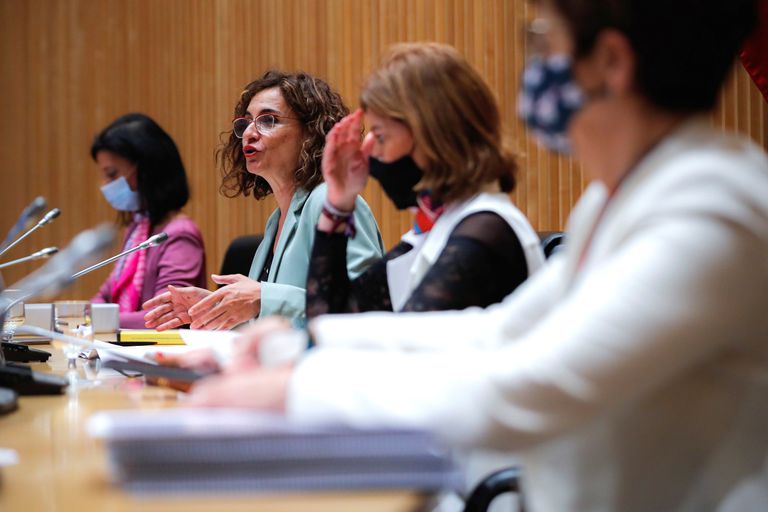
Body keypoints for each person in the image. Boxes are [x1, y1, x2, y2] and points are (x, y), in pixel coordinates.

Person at [184, 0, 768, 510]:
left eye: (544, 41)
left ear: (612, 62)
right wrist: (303, 345)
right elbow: (500, 332)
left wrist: (297, 388)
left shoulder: (712, 208)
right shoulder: (620, 199)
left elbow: (534, 383)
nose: (532, 63)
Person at [306, 43, 544, 319]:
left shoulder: (486, 230)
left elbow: (402, 349)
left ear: (431, 134)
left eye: (381, 136)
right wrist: (338, 199)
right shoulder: (437, 225)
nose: (372, 153)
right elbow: (330, 318)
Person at [142, 71, 383, 330]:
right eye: (246, 122)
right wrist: (215, 307)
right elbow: (274, 318)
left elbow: (367, 307)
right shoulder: (276, 220)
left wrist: (262, 298)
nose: (249, 132)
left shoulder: (330, 203)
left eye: (268, 120)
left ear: (311, 132)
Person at [91, 113, 206, 329]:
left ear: (146, 170)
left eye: (112, 174)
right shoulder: (137, 230)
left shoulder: (179, 234)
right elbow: (104, 296)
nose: (104, 185)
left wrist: (94, 321)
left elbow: (164, 316)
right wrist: (85, 316)